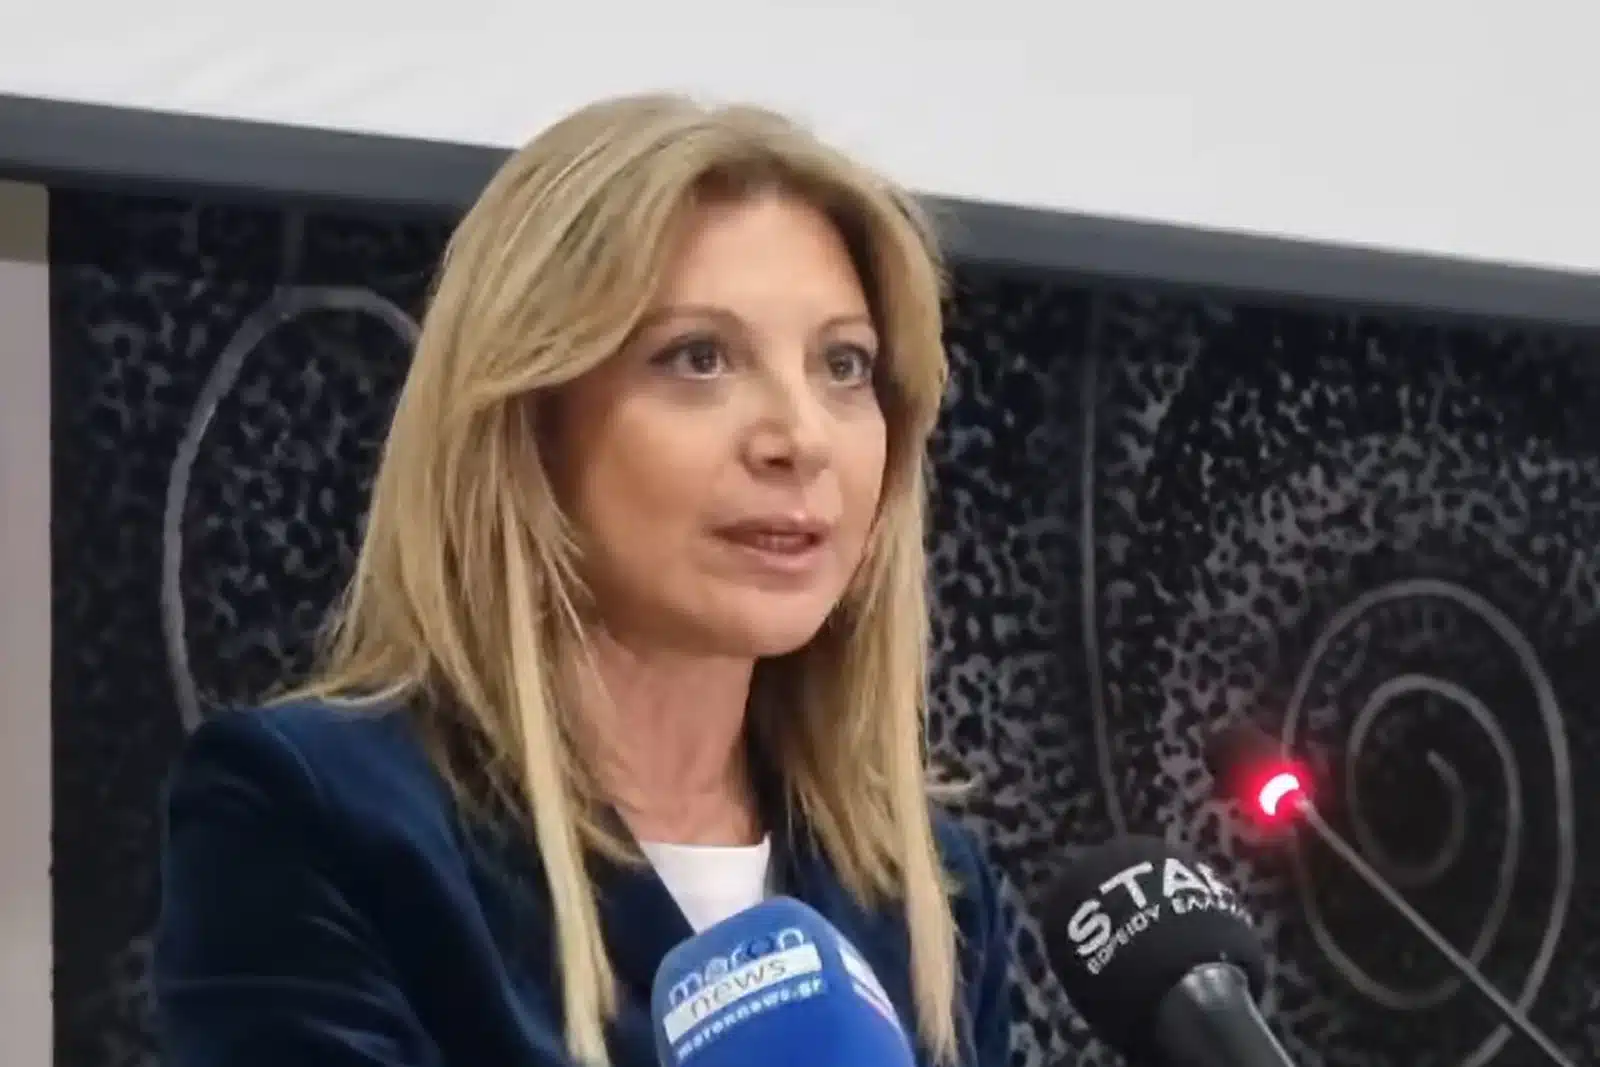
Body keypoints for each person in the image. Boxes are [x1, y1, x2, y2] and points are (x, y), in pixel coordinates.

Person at [152, 93, 1015, 1067]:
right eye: (699, 358)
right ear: (530, 419)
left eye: (844, 365)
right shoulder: (318, 815)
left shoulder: (928, 890)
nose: (800, 437)